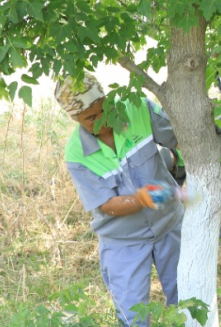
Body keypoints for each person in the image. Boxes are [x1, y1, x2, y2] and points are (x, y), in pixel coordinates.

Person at [55, 74, 182, 327]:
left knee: (187, 301)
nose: (102, 121)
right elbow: (107, 205)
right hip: (124, 242)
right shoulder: (76, 154)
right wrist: (142, 199)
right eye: (91, 118)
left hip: (169, 225)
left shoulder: (138, 109)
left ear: (108, 98)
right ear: (74, 119)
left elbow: (181, 137)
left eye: (105, 110)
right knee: (132, 317)